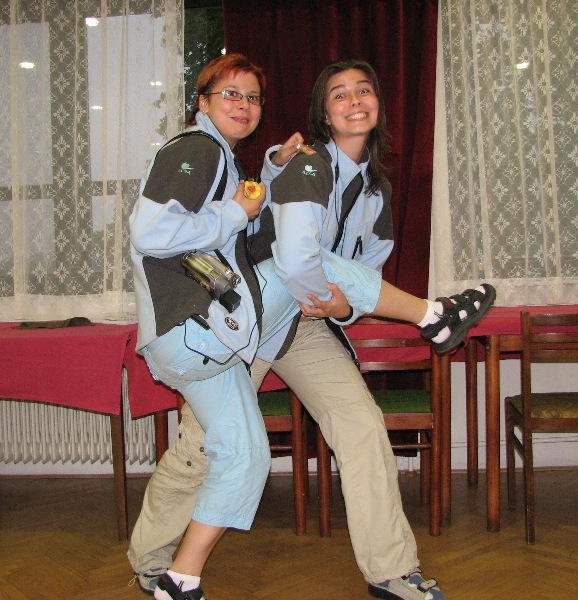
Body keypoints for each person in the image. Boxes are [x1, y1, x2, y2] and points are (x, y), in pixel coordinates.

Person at [129, 55, 494, 600]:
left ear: (378, 104)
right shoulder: (305, 163)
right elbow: (288, 250)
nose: (354, 102)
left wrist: (341, 310)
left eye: (363, 91)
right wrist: (275, 173)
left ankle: (392, 571)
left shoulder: (376, 194)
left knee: (362, 428)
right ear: (323, 113)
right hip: (251, 316)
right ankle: (153, 560)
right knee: (201, 448)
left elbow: (363, 277)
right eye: (339, 94)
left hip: (306, 322)